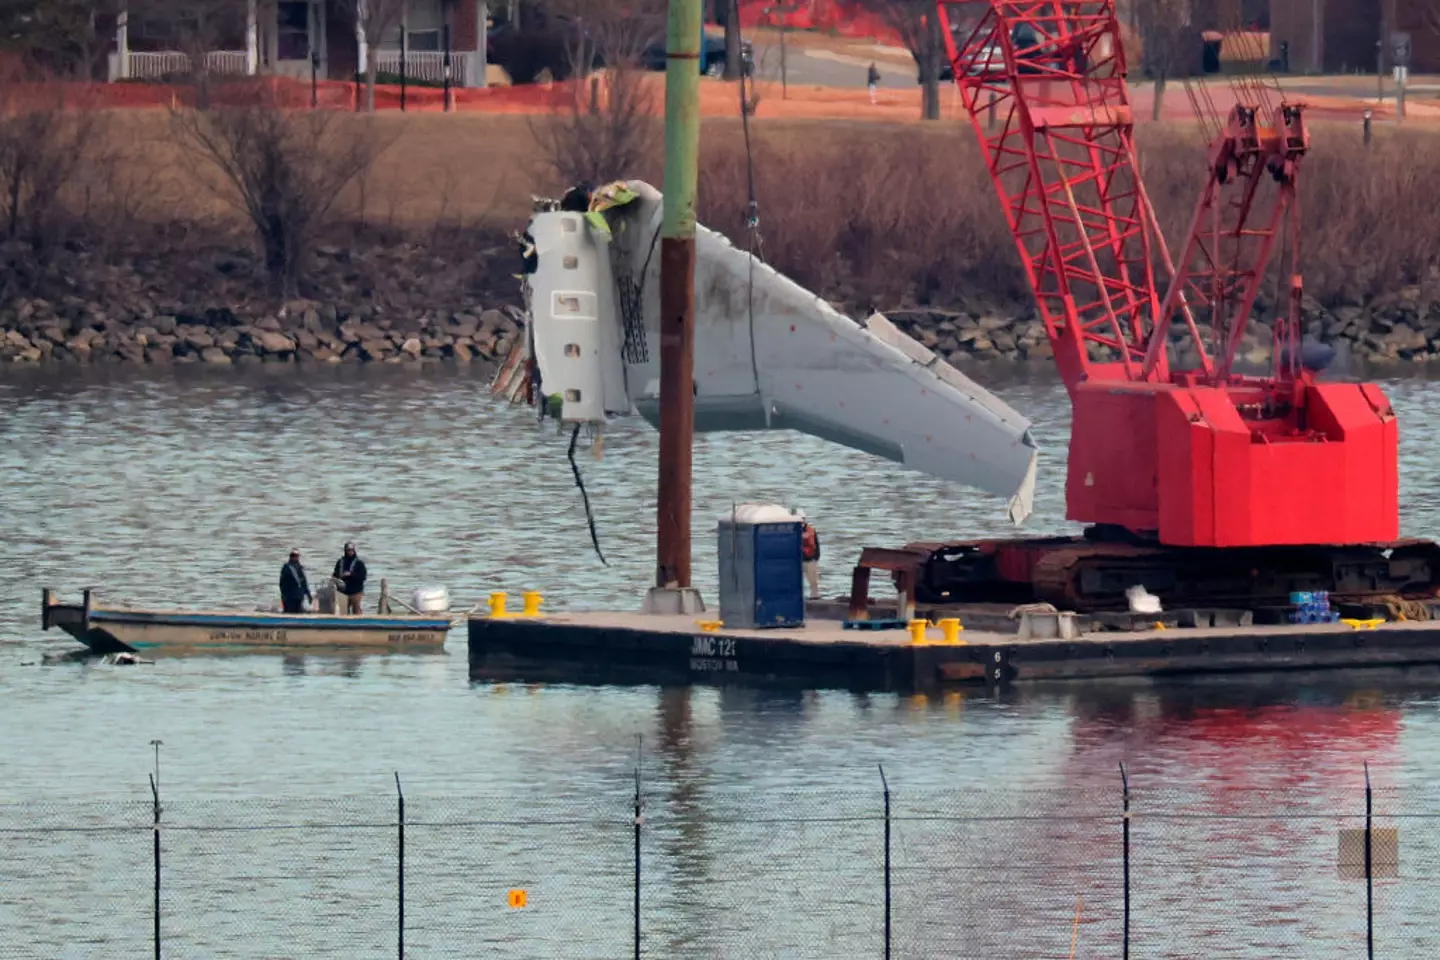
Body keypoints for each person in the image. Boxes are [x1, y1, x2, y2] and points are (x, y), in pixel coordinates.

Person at [333, 542, 368, 615]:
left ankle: (359, 624)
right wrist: (335, 579)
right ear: (345, 550)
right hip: (342, 592)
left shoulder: (359, 563)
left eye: (352, 550)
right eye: (348, 550)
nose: (350, 552)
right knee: (343, 612)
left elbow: (363, 577)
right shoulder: (340, 562)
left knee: (357, 612)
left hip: (356, 592)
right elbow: (335, 575)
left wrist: (351, 574)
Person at [279, 548, 312, 614]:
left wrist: (308, 594)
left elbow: (304, 582)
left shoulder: (300, 567)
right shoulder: (286, 568)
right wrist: (284, 596)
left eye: (296, 556)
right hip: (289, 597)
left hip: (299, 596)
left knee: (299, 613)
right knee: (289, 613)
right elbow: (282, 583)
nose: (295, 557)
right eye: (293, 555)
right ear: (290, 556)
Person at [799, 513, 821, 601]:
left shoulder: (810, 530)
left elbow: (814, 543)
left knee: (813, 581)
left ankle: (815, 597)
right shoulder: (792, 530)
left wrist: (816, 557)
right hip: (798, 559)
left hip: (810, 558)